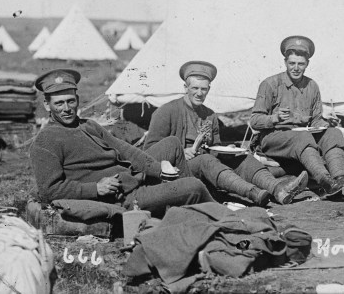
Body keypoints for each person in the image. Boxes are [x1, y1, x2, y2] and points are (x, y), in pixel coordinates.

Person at [30, 69, 215, 217]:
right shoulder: (46, 140)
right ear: (47, 105)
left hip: (132, 177)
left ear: (77, 100)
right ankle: (219, 215)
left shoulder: (89, 125)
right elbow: (50, 190)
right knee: (193, 186)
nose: (66, 109)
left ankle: (190, 211)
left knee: (172, 144)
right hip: (123, 196)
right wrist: (94, 188)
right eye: (59, 104)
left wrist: (159, 169)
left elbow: (125, 149)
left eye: (71, 101)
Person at [144, 61, 307, 206]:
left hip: (206, 168)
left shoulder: (210, 114)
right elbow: (149, 152)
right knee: (205, 161)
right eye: (194, 88)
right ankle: (253, 193)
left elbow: (214, 147)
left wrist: (226, 149)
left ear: (209, 89)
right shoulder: (166, 111)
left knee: (242, 158)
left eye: (204, 89)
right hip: (177, 172)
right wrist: (179, 152)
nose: (199, 93)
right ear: (185, 88)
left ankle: (278, 190)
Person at [250, 36, 344, 197]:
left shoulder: (312, 86)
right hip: (274, 137)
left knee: (334, 133)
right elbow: (255, 120)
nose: (296, 68)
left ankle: (340, 179)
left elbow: (316, 119)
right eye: (292, 63)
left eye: (301, 64)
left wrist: (326, 123)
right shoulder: (270, 84)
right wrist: (275, 118)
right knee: (302, 137)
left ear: (307, 64)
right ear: (285, 62)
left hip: (303, 137)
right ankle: (325, 180)